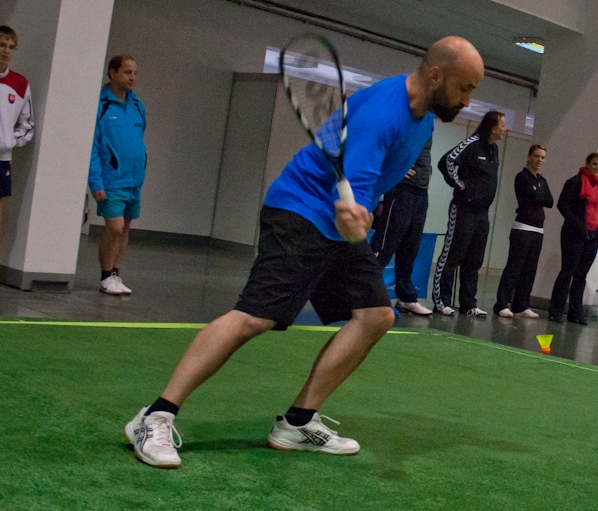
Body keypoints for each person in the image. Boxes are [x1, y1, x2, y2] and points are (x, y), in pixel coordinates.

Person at [124, 36, 484, 469]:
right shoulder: (383, 114)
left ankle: (297, 422)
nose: (467, 100)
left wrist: (360, 213)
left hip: (336, 224)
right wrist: (357, 213)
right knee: (254, 318)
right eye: (465, 88)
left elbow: (365, 193)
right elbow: (352, 193)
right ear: (435, 75)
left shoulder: (422, 118)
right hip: (299, 212)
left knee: (376, 316)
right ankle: (155, 415)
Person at [432, 110, 504, 317]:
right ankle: (441, 301)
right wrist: (459, 183)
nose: (504, 129)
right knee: (452, 255)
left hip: (483, 213)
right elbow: (446, 161)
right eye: (502, 125)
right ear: (492, 127)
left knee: (475, 259)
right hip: (464, 210)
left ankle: (468, 304)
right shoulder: (471, 144)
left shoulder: (494, 150)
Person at [88, 55, 146, 296]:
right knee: (114, 227)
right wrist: (96, 181)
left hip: (133, 181)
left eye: (134, 73)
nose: (132, 78)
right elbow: (92, 146)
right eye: (127, 72)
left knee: (126, 227)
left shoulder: (137, 106)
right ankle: (104, 276)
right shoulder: (101, 105)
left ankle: (115, 274)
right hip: (111, 181)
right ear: (112, 73)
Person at [371, 136, 434, 316]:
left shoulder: (428, 123)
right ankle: (360, 294)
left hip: (420, 192)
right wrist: (393, 168)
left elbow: (425, 154)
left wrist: (428, 173)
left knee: (410, 248)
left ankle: (406, 299)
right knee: (384, 245)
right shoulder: (404, 117)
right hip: (400, 189)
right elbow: (382, 143)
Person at [548, 152, 598, 325]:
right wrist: (579, 226)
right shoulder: (575, 182)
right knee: (567, 272)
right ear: (587, 163)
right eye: (595, 164)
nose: (597, 168)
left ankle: (575, 312)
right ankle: (556, 311)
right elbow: (563, 205)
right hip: (573, 234)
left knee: (581, 275)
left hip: (592, 237)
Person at [493, 144, 552, 318]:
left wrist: (538, 195)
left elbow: (549, 200)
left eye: (542, 157)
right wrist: (538, 195)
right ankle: (502, 304)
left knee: (530, 269)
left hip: (538, 230)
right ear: (529, 157)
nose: (539, 160)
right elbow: (531, 196)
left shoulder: (542, 180)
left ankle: (521, 305)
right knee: (514, 267)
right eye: (536, 156)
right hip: (523, 228)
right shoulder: (522, 177)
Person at [0, 25, 34, 238]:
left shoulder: (20, 84)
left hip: (2, 159)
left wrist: (9, 142)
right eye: (2, 45)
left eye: (11, 47)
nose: (6, 51)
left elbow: (27, 124)